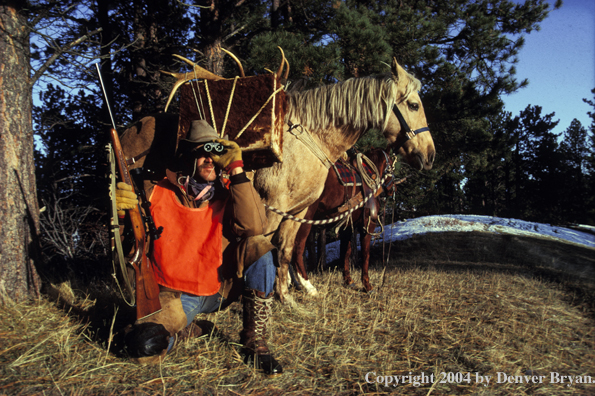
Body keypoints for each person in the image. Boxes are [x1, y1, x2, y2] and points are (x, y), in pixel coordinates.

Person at [116, 119, 283, 375]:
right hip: (176, 295)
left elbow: (254, 228)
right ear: (187, 157)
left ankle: (254, 341)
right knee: (146, 348)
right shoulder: (155, 191)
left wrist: (237, 169)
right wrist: (123, 215)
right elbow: (134, 242)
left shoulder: (230, 192)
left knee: (260, 247)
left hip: (220, 288)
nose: (210, 159)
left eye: (215, 153)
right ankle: (189, 330)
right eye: (202, 152)